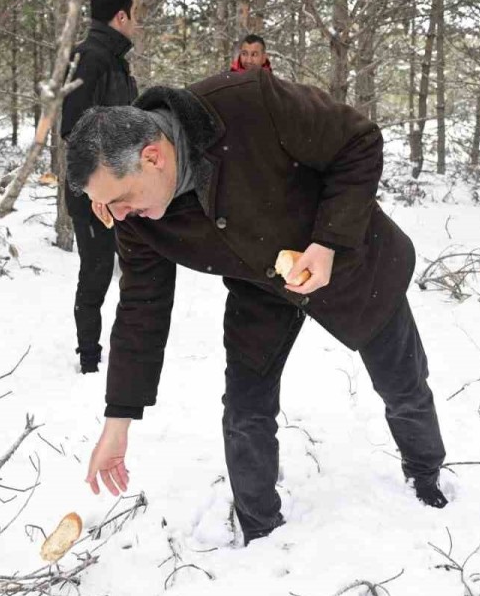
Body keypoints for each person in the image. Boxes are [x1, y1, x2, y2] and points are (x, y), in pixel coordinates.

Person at [65, 68, 449, 545]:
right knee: (245, 411)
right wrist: (117, 421)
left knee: (402, 384)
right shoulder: (137, 217)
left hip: (351, 263)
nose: (116, 216)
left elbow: (358, 142)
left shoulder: (249, 103)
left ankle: (426, 477)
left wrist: (328, 243)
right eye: (106, 206)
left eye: (119, 200)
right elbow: (141, 309)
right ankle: (260, 531)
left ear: (153, 156)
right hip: (259, 287)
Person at [59, 0, 142, 375]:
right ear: (121, 15)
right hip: (93, 192)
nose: (137, 22)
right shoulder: (88, 58)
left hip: (125, 192)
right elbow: (72, 129)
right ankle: (89, 360)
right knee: (95, 274)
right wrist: (97, 188)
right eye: (135, 13)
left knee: (137, 271)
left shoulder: (117, 61)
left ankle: (129, 350)